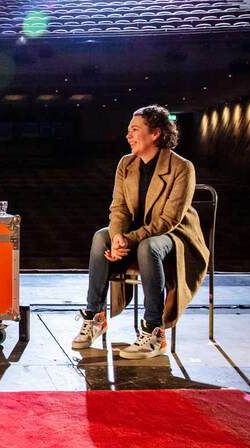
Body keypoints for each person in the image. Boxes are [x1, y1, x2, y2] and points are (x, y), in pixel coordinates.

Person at [72, 105, 209, 359]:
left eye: (135, 130)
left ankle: (154, 331)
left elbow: (169, 220)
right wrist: (116, 238)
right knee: (100, 236)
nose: (128, 135)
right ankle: (95, 317)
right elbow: (119, 208)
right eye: (128, 130)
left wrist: (128, 239)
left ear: (155, 133)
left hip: (176, 237)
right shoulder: (126, 163)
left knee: (149, 246)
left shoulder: (182, 167)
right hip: (136, 233)